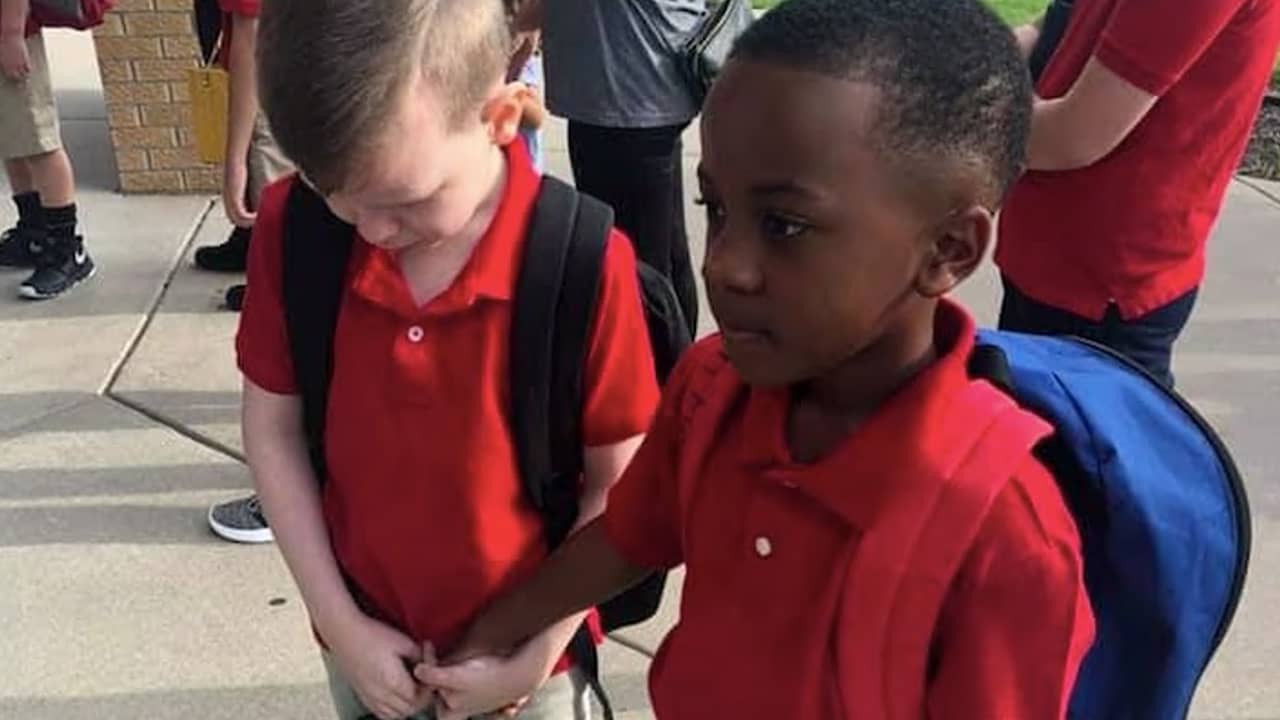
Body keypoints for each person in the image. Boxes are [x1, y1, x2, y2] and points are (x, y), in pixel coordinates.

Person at [416, 0, 1096, 717]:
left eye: (785, 225)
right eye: (716, 209)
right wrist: (494, 632)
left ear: (949, 250)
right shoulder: (712, 389)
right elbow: (627, 539)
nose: (724, 266)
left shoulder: (1005, 534)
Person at [240, 0, 659, 718]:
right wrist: (341, 626)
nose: (372, 229)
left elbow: (617, 486)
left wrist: (534, 654)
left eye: (405, 199)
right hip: (363, 640)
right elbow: (273, 430)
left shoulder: (579, 263)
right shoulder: (299, 228)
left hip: (529, 659)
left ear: (501, 117)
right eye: (335, 192)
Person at [997, 0, 1280, 386]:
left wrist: (947, 122)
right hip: (1051, 254)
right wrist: (968, 62)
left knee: (1084, 421)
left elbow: (1074, 134)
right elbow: (1061, 20)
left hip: (1099, 286)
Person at [517, 0, 703, 332]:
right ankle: (675, 357)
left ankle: (654, 358)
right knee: (659, 257)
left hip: (628, 99)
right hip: (625, 95)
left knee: (639, 267)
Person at [203, 0, 294, 544]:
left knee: (301, 320)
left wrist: (234, 157)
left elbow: (251, 34)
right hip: (364, 108)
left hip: (289, 119)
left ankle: (299, 488)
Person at [190, 0, 292, 315]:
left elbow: (252, 36)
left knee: (270, 169)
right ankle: (251, 241)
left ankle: (282, 282)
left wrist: (233, 162)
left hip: (274, 76)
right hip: (295, 61)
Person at [0, 0, 94, 300]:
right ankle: (34, 233)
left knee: (38, 140)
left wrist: (11, 34)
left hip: (9, 32)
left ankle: (67, 251)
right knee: (12, 137)